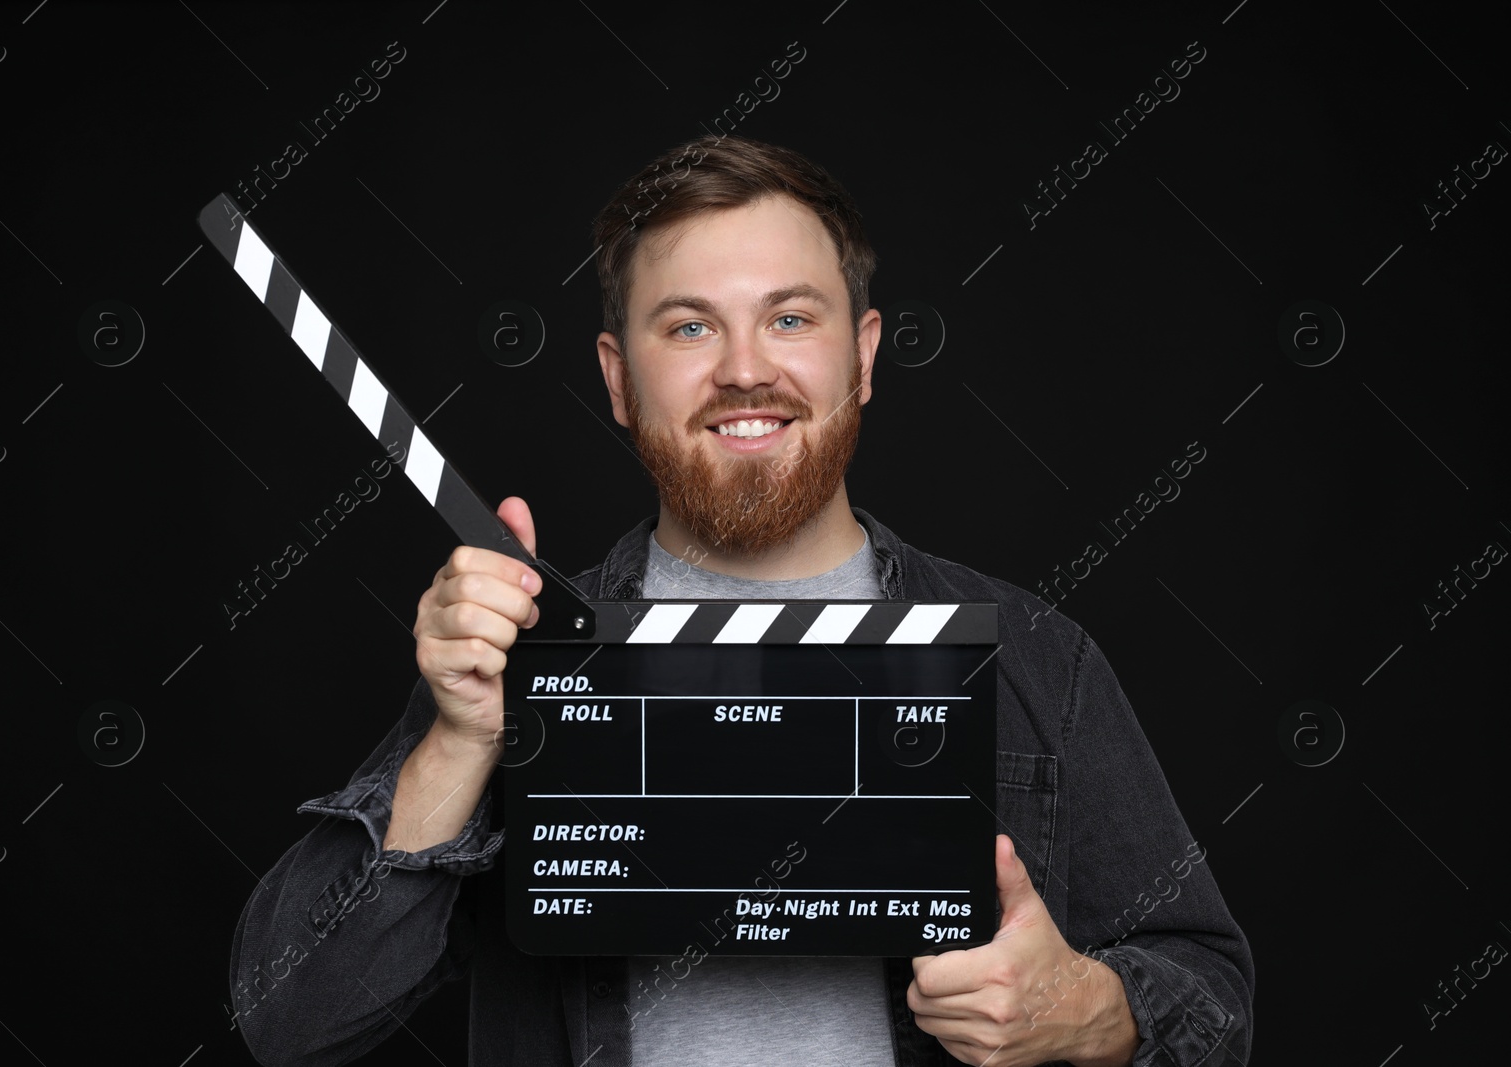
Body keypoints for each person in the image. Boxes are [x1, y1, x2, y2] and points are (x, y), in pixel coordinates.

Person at [228, 134, 1253, 1066]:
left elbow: (1213, 996)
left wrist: (1085, 1005)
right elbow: (289, 1016)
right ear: (618, 376)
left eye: (790, 317)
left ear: (860, 355)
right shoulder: (514, 656)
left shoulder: (1038, 656)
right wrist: (456, 744)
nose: (745, 370)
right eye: (687, 327)